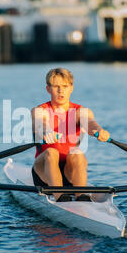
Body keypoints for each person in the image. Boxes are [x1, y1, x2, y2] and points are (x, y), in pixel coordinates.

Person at [31, 67, 110, 202]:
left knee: (77, 152)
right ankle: (60, 197)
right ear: (48, 89)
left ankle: (82, 197)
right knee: (51, 152)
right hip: (44, 172)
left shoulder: (81, 112)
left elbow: (91, 123)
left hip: (70, 172)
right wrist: (47, 132)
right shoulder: (39, 111)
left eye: (65, 86)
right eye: (56, 86)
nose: (61, 91)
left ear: (71, 88)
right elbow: (40, 123)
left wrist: (99, 131)